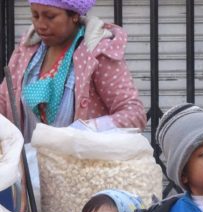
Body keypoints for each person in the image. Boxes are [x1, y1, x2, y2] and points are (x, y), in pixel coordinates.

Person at [0, 0, 146, 144]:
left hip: (79, 164)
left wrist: (85, 130)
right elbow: (4, 99)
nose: (41, 25)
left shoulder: (96, 53)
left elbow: (133, 114)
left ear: (74, 15)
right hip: (29, 164)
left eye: (50, 17)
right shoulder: (27, 49)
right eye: (35, 15)